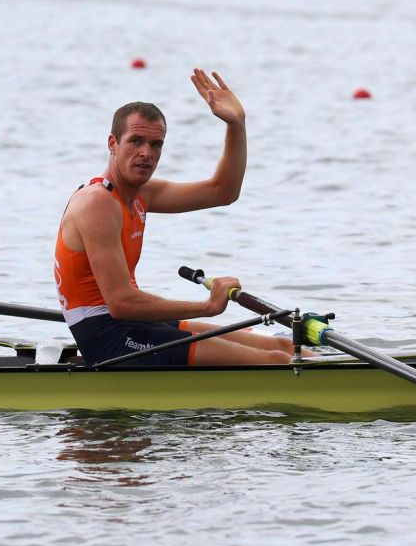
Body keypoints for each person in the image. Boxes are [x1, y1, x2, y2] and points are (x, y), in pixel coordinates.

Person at [54, 69, 294, 366]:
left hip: (135, 325)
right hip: (108, 338)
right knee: (275, 361)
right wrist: (207, 307)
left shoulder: (141, 194)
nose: (146, 153)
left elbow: (223, 191)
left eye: (156, 145)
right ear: (113, 144)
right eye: (136, 141)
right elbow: (121, 302)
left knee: (284, 346)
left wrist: (236, 124)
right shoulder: (97, 203)